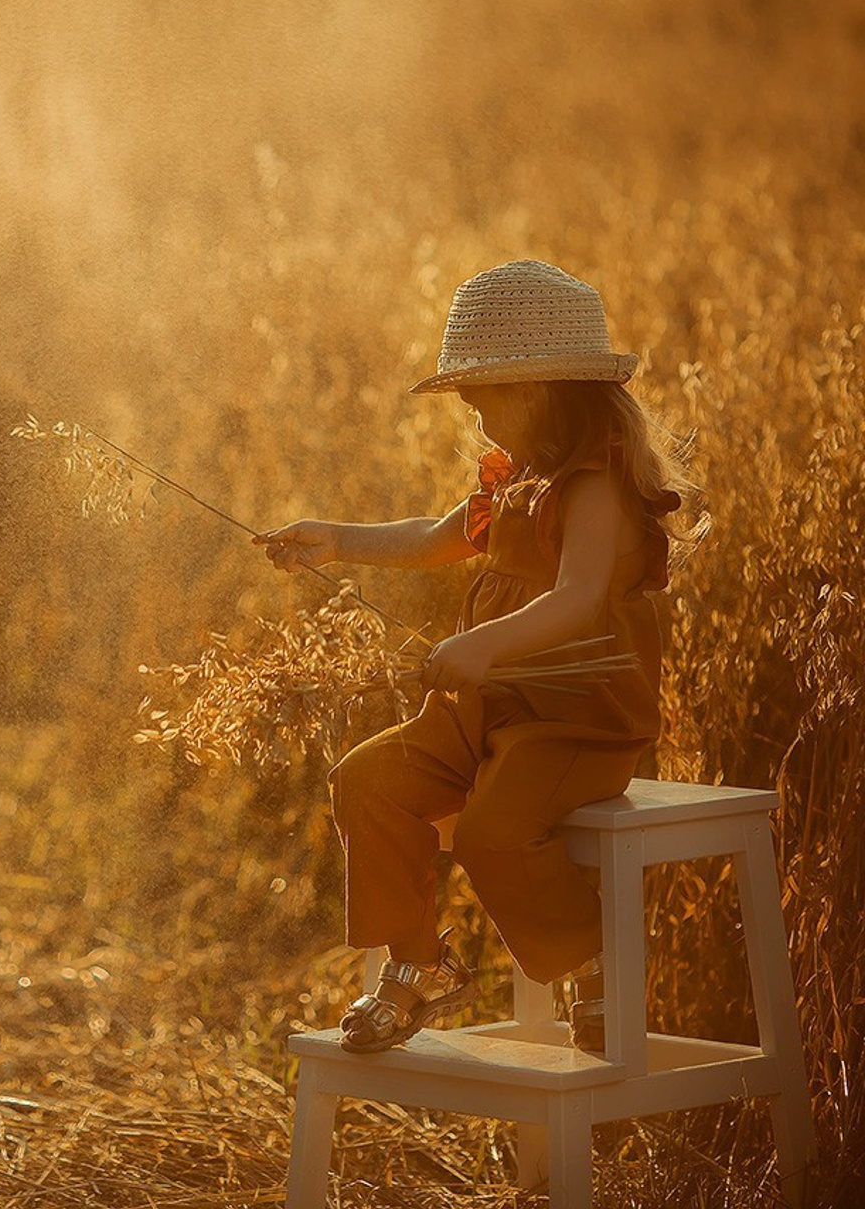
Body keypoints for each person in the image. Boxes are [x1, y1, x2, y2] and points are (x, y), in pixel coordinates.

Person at [255, 259, 694, 1055]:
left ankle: (592, 966)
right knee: (368, 782)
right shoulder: (518, 477)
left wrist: (480, 645)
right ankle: (421, 965)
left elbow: (580, 598)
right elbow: (437, 537)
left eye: (482, 400)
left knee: (492, 832)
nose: (478, 421)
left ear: (538, 390)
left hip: (575, 716)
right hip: (484, 709)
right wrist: (337, 542)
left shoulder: (595, 483)